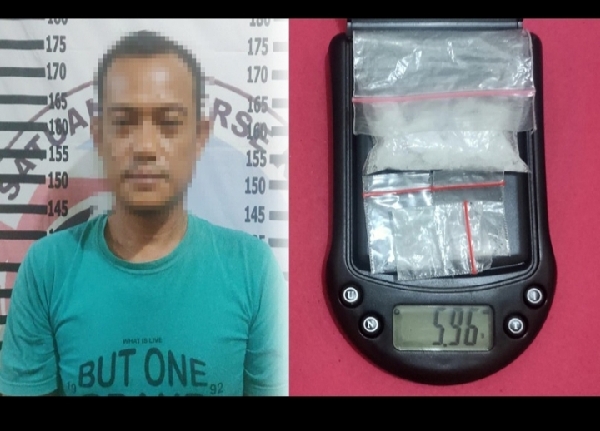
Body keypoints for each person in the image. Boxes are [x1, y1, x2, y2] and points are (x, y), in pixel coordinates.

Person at [0, 30, 287, 396]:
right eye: (123, 123)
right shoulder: (48, 268)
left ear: (200, 136)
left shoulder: (252, 270)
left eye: (169, 123)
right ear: (98, 136)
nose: (146, 147)